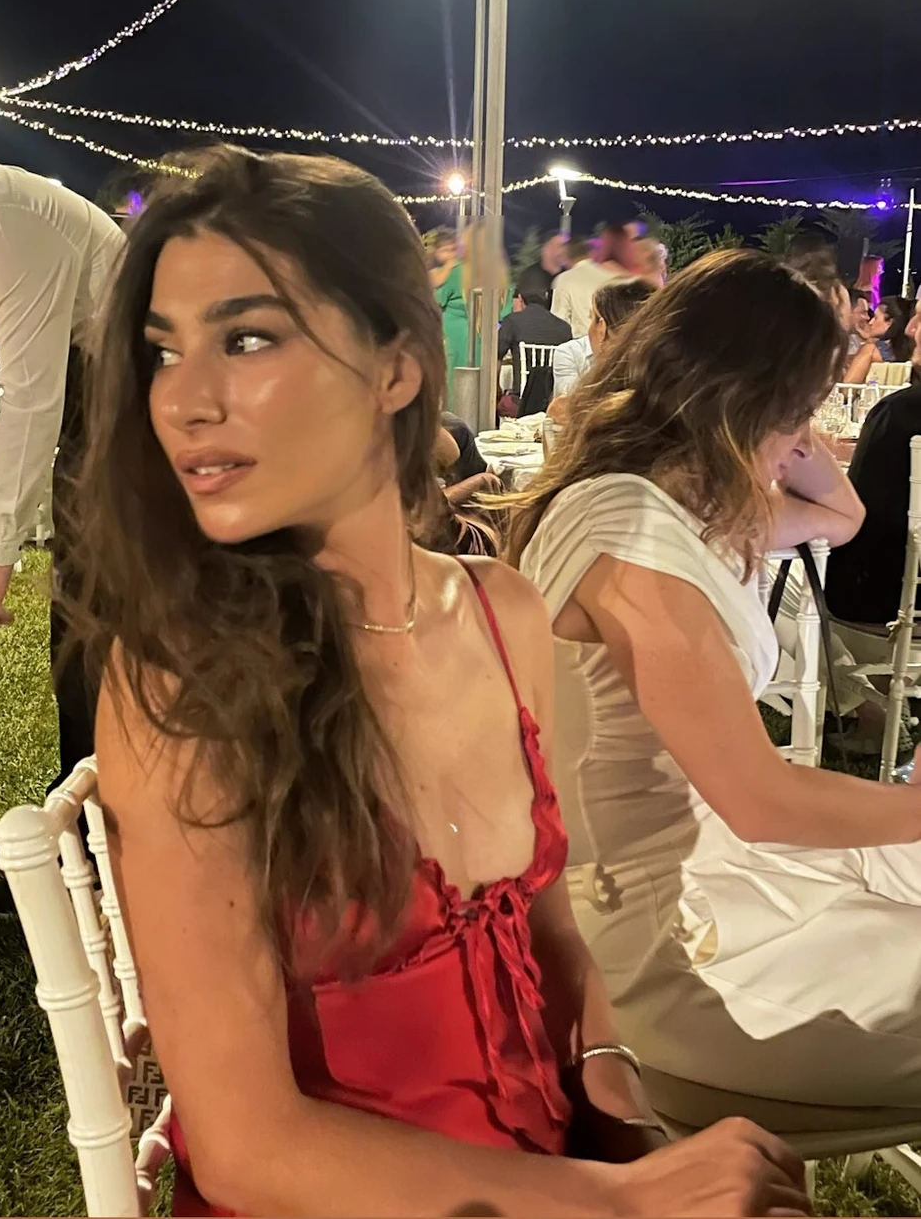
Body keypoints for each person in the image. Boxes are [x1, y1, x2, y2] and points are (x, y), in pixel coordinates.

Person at [62, 150, 808, 1219]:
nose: (182, 398)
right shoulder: (187, 684)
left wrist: (621, 1112)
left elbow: (550, 930)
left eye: (247, 338)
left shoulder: (504, 615)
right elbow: (245, 1148)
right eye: (162, 352)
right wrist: (624, 1200)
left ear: (396, 368)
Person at [507, 249, 921, 1108]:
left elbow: (843, 518)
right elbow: (758, 800)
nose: (805, 437)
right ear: (741, 398)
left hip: (702, 874)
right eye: (799, 407)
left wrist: (785, 426)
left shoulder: (674, 500)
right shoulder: (634, 536)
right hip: (650, 950)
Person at [0, 136, 127, 910]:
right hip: (99, 387)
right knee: (81, 626)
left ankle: (97, 846)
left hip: (126, 393)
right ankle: (76, 815)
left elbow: (32, 395)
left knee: (93, 627)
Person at [827, 296, 921, 631]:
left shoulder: (900, 413)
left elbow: (859, 522)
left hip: (885, 607)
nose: (910, 329)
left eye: (920, 318)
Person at [548, 278, 656, 424]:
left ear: (601, 328)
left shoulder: (616, 393)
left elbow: (567, 408)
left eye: (591, 318)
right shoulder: (662, 371)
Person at [497, 284, 572, 407]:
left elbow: (496, 356)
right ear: (547, 297)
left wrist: (497, 390)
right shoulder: (565, 328)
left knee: (501, 404)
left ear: (520, 298)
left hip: (520, 401)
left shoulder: (512, 321)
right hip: (552, 401)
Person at [427, 228, 469, 412]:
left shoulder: (453, 272)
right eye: (445, 250)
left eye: (452, 249)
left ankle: (449, 414)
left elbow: (436, 300)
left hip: (452, 330)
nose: (450, 254)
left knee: (450, 374)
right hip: (472, 330)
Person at [551, 239, 625, 340]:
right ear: (591, 253)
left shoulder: (564, 279)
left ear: (566, 257)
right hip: (609, 340)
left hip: (580, 342)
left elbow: (559, 318)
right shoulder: (610, 277)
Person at [845, 295, 913, 384]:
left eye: (876, 318)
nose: (870, 322)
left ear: (889, 323)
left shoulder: (870, 350)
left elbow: (847, 387)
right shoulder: (912, 351)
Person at [514, 231, 567, 310]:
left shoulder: (568, 276)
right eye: (560, 246)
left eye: (566, 246)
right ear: (547, 248)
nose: (564, 250)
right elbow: (518, 302)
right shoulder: (529, 275)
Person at [847, 287, 873, 357]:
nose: (868, 317)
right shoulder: (829, 340)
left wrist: (868, 340)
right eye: (863, 312)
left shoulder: (856, 340)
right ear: (848, 310)